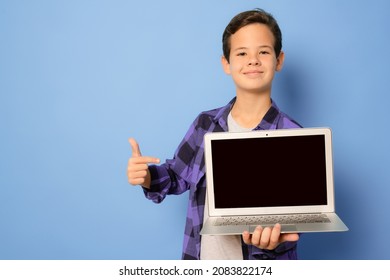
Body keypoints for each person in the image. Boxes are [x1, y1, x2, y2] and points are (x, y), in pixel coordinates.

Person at [127, 9, 300, 260]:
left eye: (263, 51)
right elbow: (176, 175)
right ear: (226, 64)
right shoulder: (205, 124)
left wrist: (275, 242)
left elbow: (300, 218)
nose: (253, 60)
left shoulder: (293, 136)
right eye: (242, 53)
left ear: (279, 60)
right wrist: (146, 177)